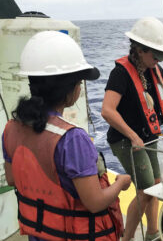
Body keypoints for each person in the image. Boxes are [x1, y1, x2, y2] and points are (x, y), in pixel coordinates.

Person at [2, 31, 131, 241]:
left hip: (39, 233)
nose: (80, 87)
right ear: (70, 90)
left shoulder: (11, 128)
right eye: (80, 82)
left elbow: (12, 178)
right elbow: (95, 202)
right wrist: (120, 184)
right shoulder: (72, 138)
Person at [101, 17, 163, 241]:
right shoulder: (121, 74)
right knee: (145, 191)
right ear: (139, 49)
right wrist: (133, 135)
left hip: (148, 138)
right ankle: (126, 239)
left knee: (155, 185)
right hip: (125, 140)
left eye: (160, 56)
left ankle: (152, 233)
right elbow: (107, 110)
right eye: (155, 55)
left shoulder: (154, 68)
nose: (157, 60)